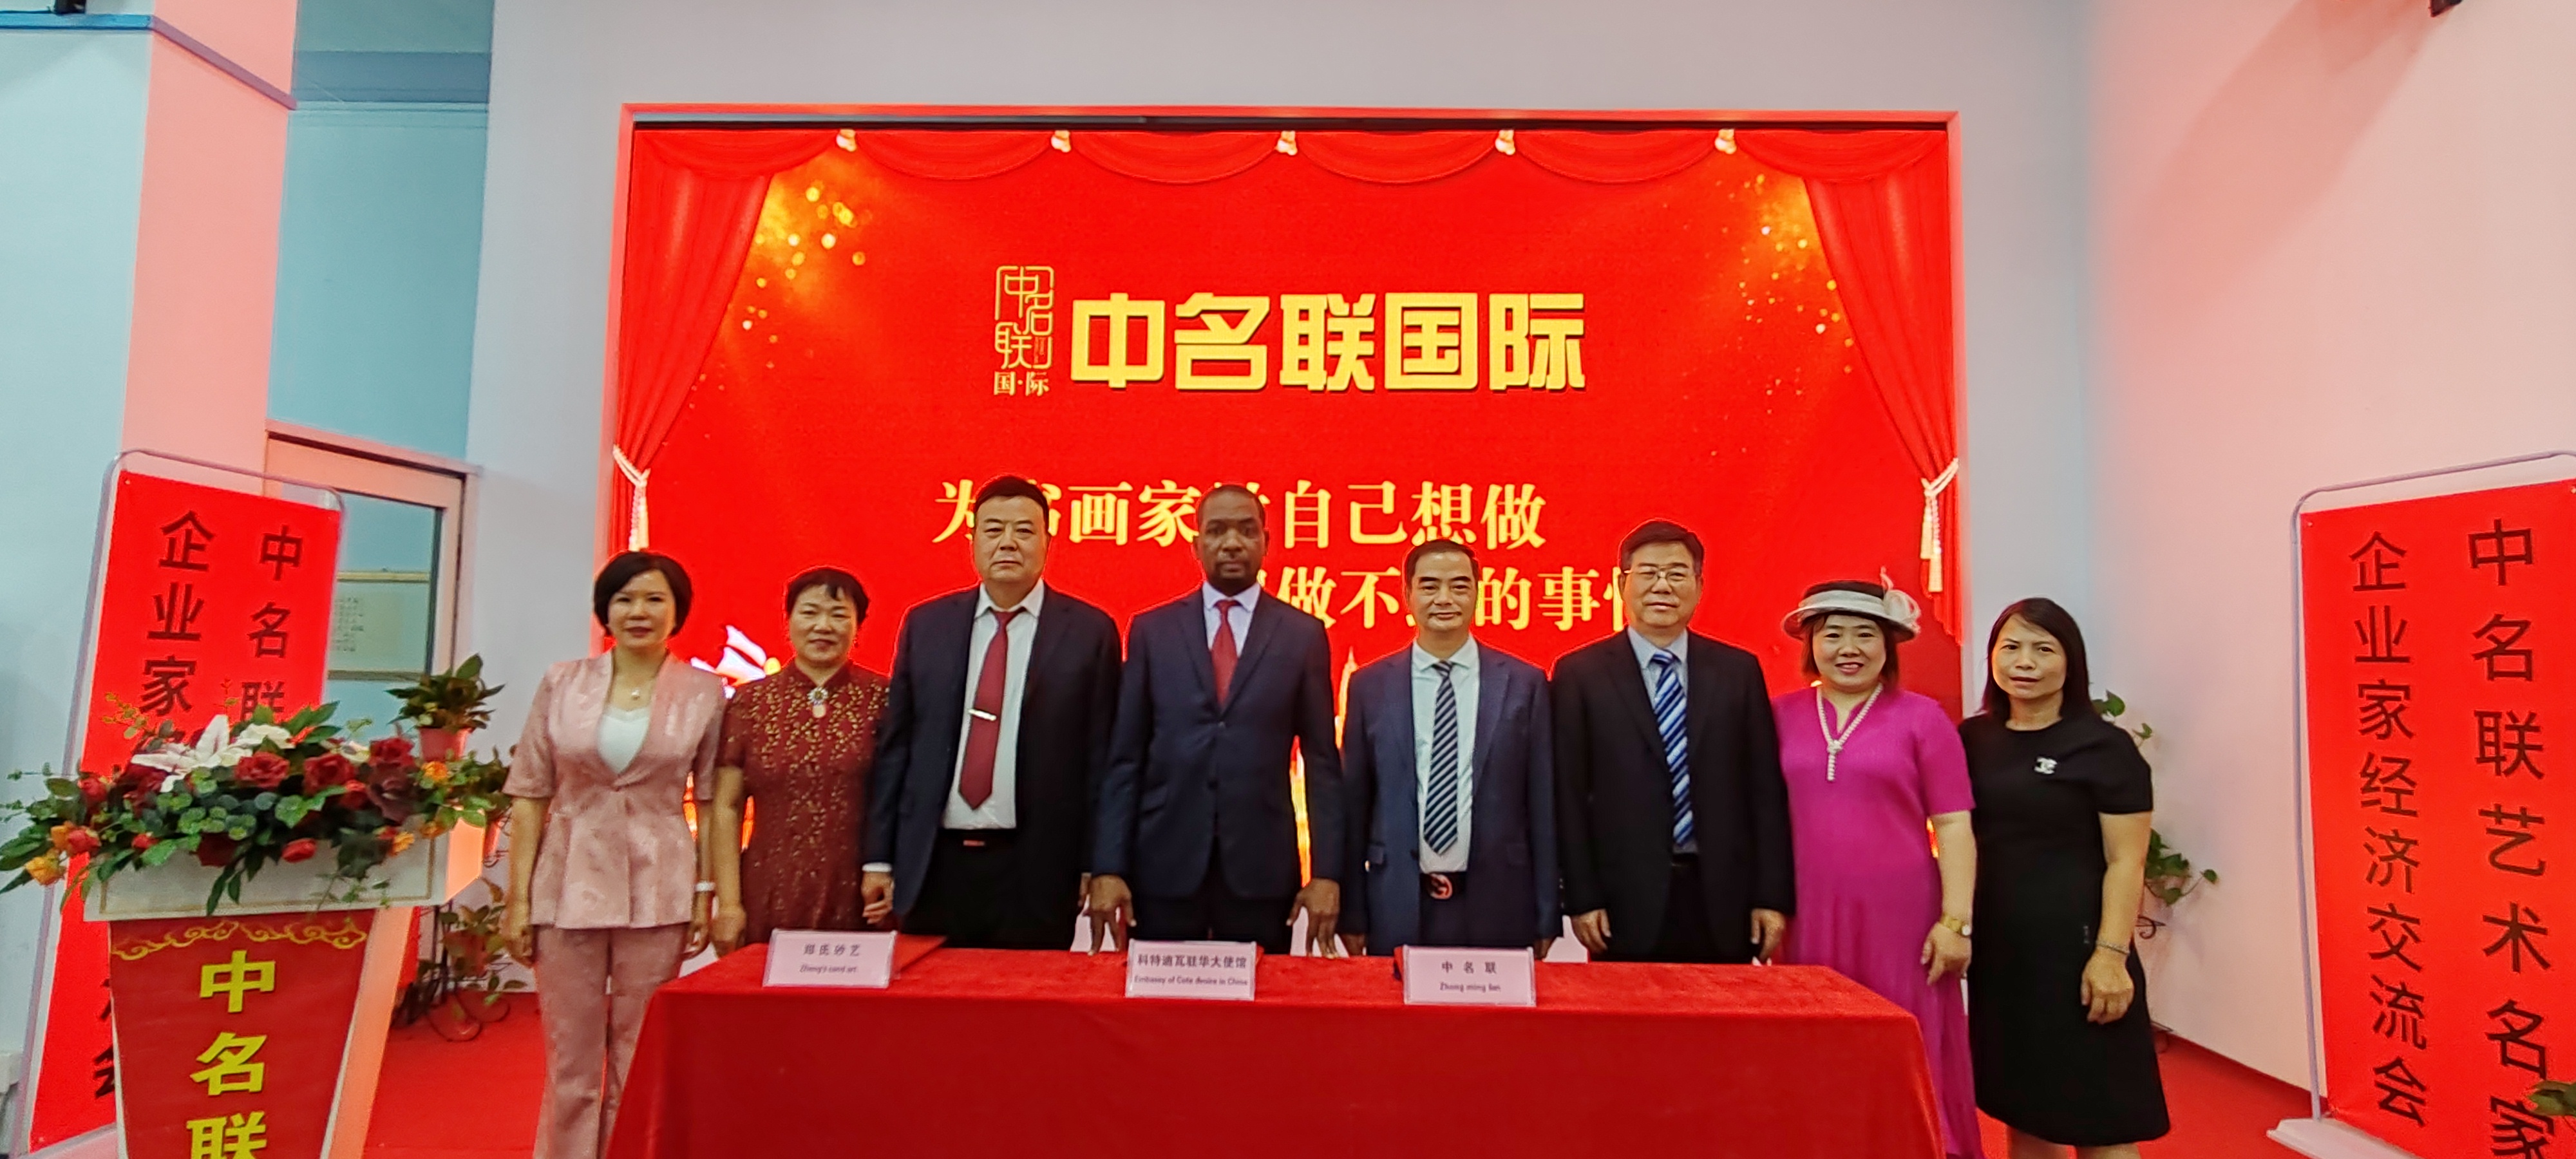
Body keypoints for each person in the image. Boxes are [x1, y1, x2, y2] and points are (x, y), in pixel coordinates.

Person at [502, 552, 726, 1159]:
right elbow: (530, 793)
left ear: (678, 611)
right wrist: (517, 901)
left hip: (659, 886)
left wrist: (705, 893)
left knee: (640, 1049)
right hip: (565, 883)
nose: (639, 612)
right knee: (570, 1058)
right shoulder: (562, 682)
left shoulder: (704, 693)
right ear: (605, 610)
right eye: (625, 599)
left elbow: (711, 802)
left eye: (655, 599)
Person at [862, 476, 1122, 949]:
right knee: (929, 990)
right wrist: (879, 858)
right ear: (972, 540)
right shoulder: (927, 625)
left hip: (1038, 866)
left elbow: (1102, 760)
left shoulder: (1090, 632)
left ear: (1048, 542)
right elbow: (897, 748)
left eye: (1024, 531)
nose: (1007, 543)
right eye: (993, 529)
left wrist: (1097, 862)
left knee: (1027, 993)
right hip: (935, 862)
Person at [1772, 580, 1982, 1159]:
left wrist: (1956, 922)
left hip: (1902, 917)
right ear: (1810, 645)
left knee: (1902, 1037)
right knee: (1814, 1036)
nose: (1849, 648)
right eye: (1832, 635)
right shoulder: (1779, 715)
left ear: (1889, 645)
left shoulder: (1923, 718)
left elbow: (1955, 825)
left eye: (1865, 634)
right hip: (1807, 910)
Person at [1089, 484, 1345, 956]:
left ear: (1266, 542)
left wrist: (1327, 873)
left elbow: (1323, 765)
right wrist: (1108, 866)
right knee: (1159, 1000)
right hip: (1162, 864)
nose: (1232, 543)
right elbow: (1125, 758)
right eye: (1217, 531)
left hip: (1260, 869)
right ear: (1196, 544)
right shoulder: (1152, 631)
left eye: (1247, 531)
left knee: (1260, 1001)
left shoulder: (1302, 635)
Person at [1960, 598, 2169, 1158]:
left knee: (2102, 1118)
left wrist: (2110, 955)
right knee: (2025, 1109)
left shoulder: (2104, 747)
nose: (2024, 662)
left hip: (2079, 953)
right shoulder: (1972, 739)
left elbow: (2127, 861)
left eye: (2043, 649)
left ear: (2070, 661)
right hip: (2003, 956)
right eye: (2011, 647)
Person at [1554, 519, 1791, 963]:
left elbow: (1764, 792)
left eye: (1677, 574)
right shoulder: (1579, 674)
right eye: (1648, 573)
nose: (1662, 586)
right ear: (1621, 585)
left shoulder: (1738, 672)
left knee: (1722, 1010)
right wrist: (1581, 897)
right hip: (1623, 901)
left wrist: (1770, 896)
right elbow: (1568, 795)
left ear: (1699, 586)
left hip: (1724, 898)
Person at [1338, 540, 1558, 957]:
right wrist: (1352, 912)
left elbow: (1542, 804)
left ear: (1478, 592)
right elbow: (1355, 804)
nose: (1444, 599)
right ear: (1407, 594)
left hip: (1500, 901)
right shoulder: (1370, 686)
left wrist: (1547, 913)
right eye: (1430, 586)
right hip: (1397, 900)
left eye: (1459, 586)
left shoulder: (1524, 684)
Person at [706, 567, 889, 953]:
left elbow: (904, 799)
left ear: (858, 626)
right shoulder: (751, 703)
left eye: (838, 615)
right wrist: (730, 904)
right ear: (787, 621)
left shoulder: (883, 698)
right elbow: (727, 806)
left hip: (861, 892)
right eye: (810, 613)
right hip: (769, 888)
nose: (823, 626)